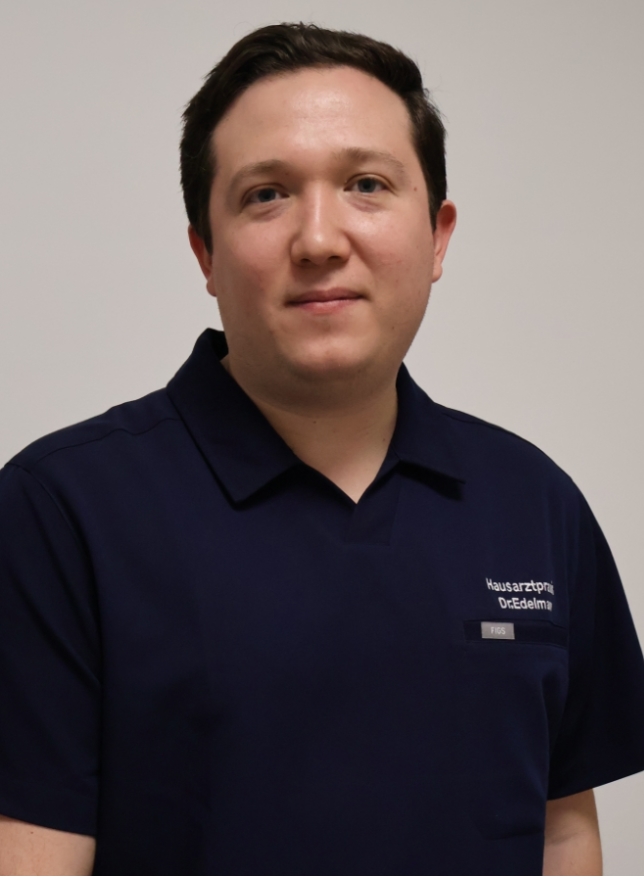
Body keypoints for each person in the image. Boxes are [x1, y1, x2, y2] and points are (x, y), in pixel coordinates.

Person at [1, 22, 644, 876]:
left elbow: (560, 831)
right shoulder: (60, 512)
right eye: (266, 194)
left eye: (366, 184)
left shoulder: (534, 503)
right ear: (205, 251)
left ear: (439, 235)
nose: (318, 240)